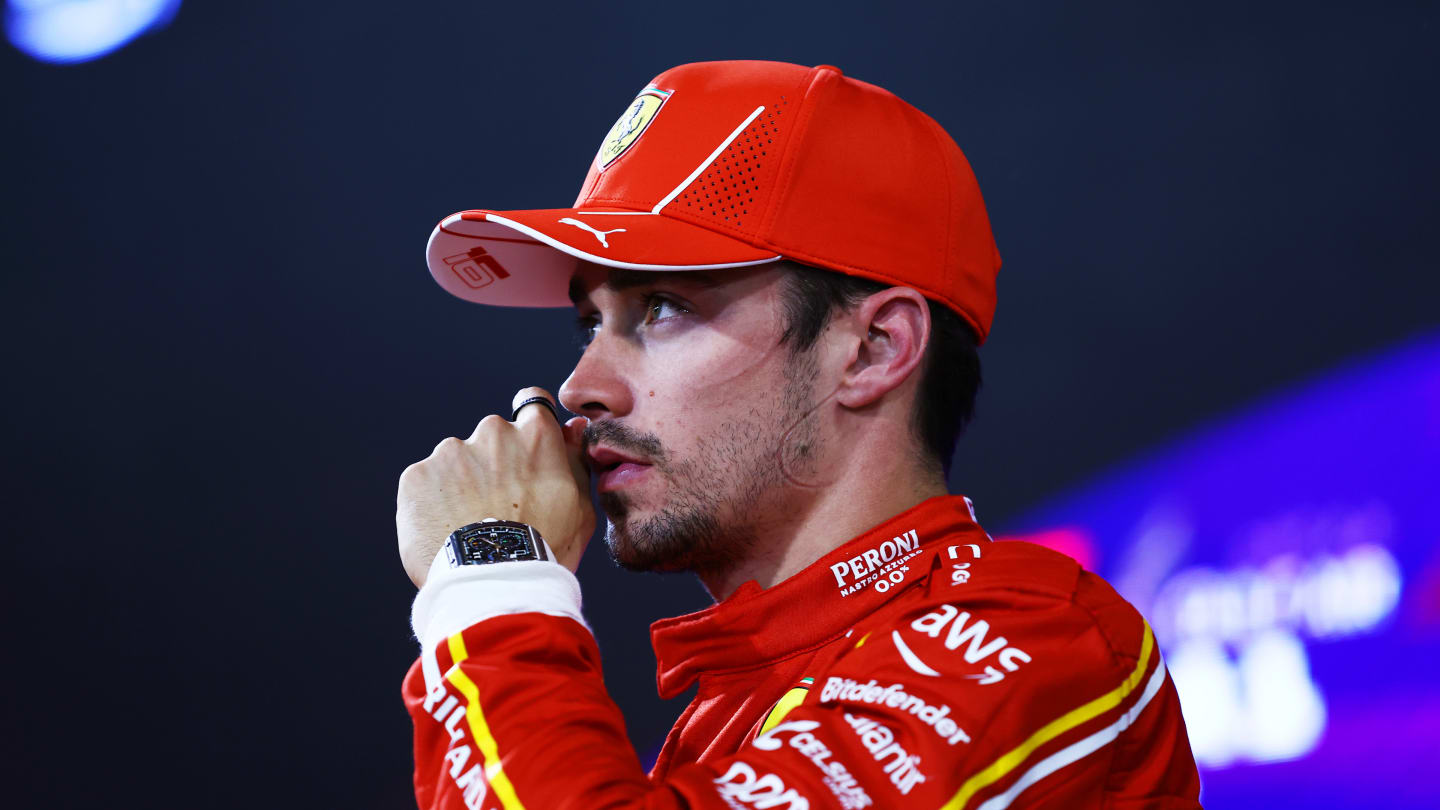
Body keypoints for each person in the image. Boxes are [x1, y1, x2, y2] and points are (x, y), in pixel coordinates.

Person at [397, 60, 1202, 810]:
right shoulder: (731, 710)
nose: (580, 387)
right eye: (589, 324)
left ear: (874, 350)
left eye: (662, 309)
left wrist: (493, 578)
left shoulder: (1036, 637)